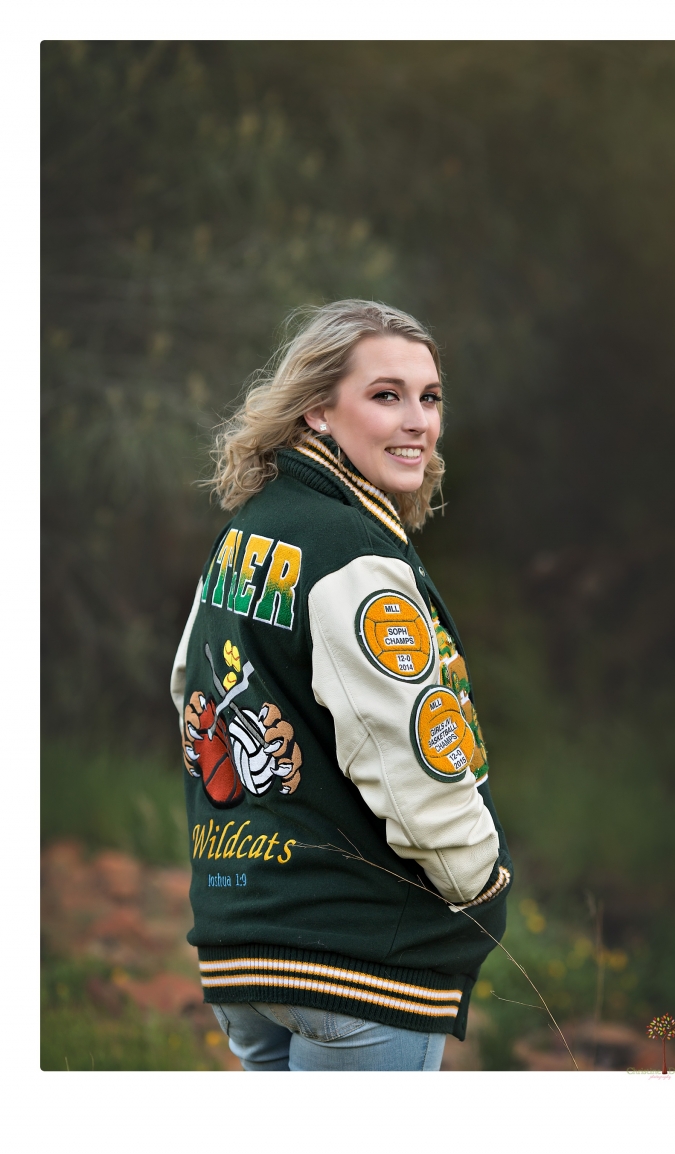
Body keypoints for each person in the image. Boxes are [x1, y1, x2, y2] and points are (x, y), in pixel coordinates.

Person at [170, 300, 513, 1071]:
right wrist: (480, 887)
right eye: (386, 395)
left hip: (244, 946)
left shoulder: (250, 529)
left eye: (430, 397)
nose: (418, 420)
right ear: (318, 411)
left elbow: (187, 693)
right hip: (358, 967)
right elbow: (413, 762)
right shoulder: (354, 556)